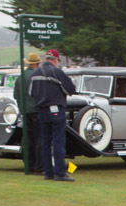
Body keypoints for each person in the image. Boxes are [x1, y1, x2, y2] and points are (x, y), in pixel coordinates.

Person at [30, 49, 76, 181]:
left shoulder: (35, 73)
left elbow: (31, 92)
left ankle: (48, 172)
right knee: (58, 142)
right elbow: (71, 89)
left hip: (42, 110)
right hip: (56, 109)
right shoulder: (56, 71)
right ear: (55, 59)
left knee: (45, 142)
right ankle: (60, 173)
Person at [14, 52, 43, 174]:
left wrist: (22, 108)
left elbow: (16, 95)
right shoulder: (37, 76)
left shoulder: (21, 77)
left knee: (28, 139)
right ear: (37, 63)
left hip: (25, 111)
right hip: (36, 110)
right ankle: (38, 167)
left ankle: (29, 166)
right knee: (39, 139)